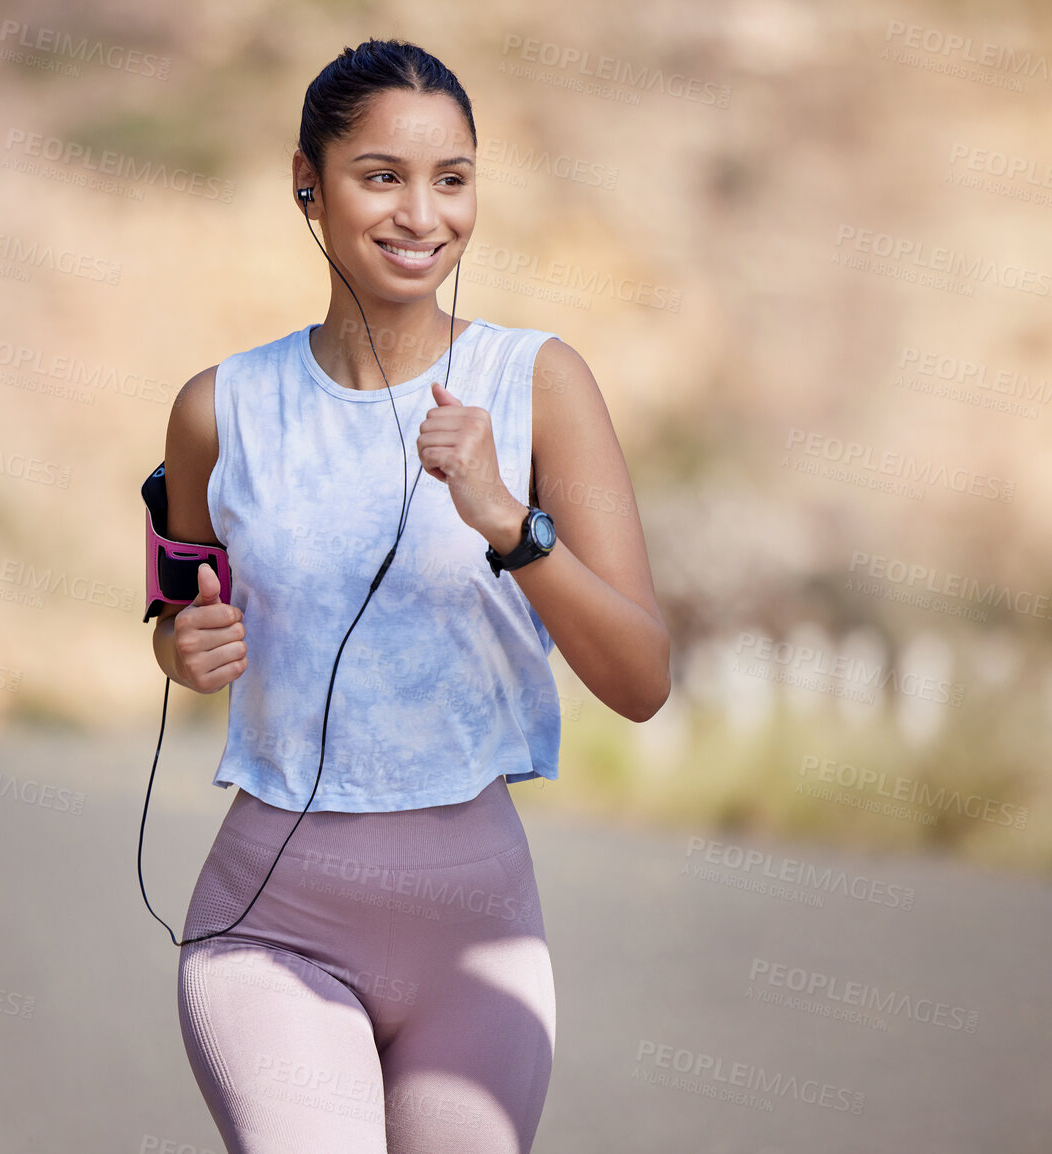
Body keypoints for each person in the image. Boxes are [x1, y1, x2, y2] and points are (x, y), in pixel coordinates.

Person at [150, 37, 670, 1154]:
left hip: (476, 938)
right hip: (271, 924)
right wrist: (180, 647)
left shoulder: (539, 383)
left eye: (452, 177)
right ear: (308, 183)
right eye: (380, 175)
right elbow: (176, 604)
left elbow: (640, 679)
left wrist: (510, 524)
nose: (421, 215)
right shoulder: (218, 410)